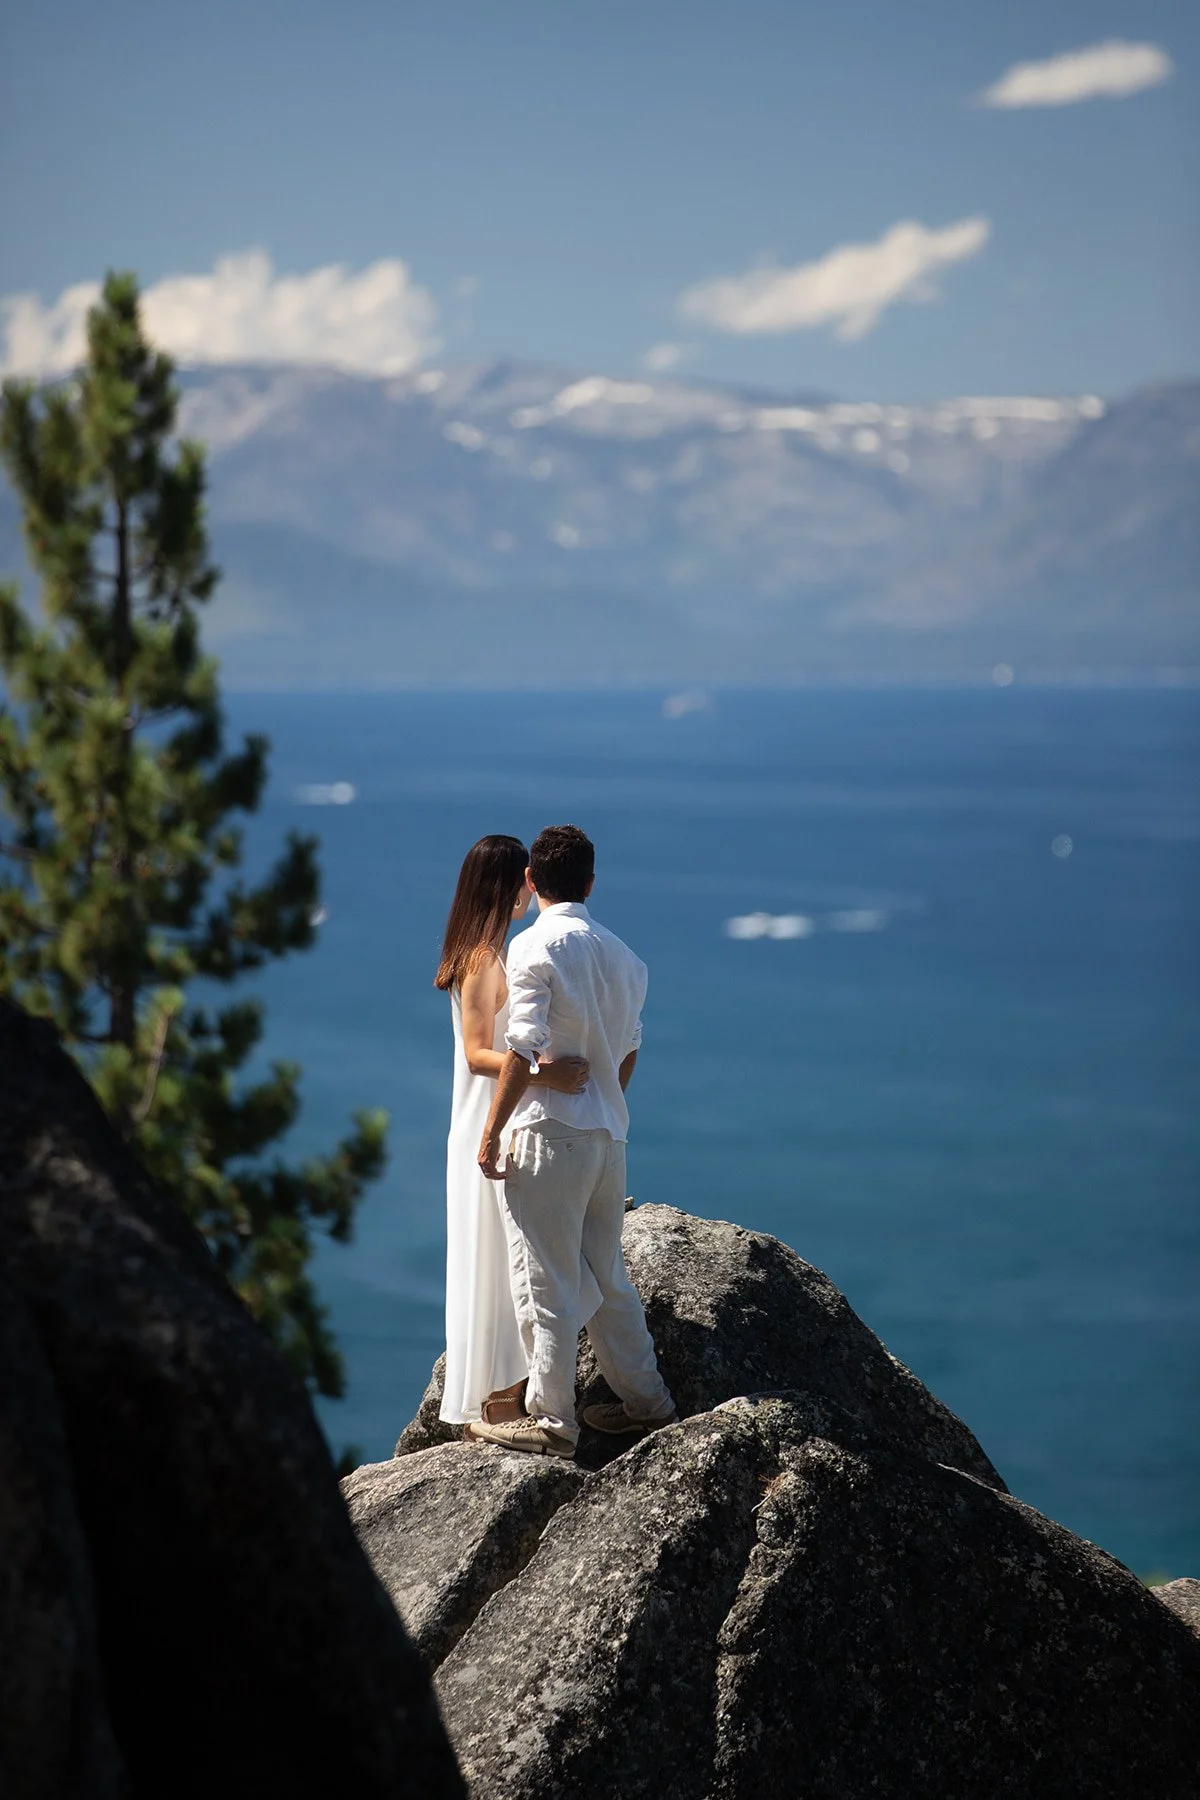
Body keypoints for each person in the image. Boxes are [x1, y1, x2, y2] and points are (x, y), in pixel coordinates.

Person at [468, 823, 678, 1459]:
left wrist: (492, 1131)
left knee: (547, 1280)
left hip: (547, 1135)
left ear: (531, 880)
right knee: (608, 1278)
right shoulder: (625, 957)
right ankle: (649, 1404)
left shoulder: (533, 947)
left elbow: (521, 1047)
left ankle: (553, 1421)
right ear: (590, 883)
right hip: (607, 1138)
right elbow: (630, 1048)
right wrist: (603, 1100)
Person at [434, 835, 593, 1429]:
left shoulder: (489, 953)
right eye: (522, 877)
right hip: (486, 1121)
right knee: (499, 1257)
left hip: (493, 1117)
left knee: (508, 1258)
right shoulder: (482, 959)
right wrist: (547, 1075)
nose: (531, 886)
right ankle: (496, 1392)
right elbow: (478, 1053)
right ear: (506, 885)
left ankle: (507, 1387)